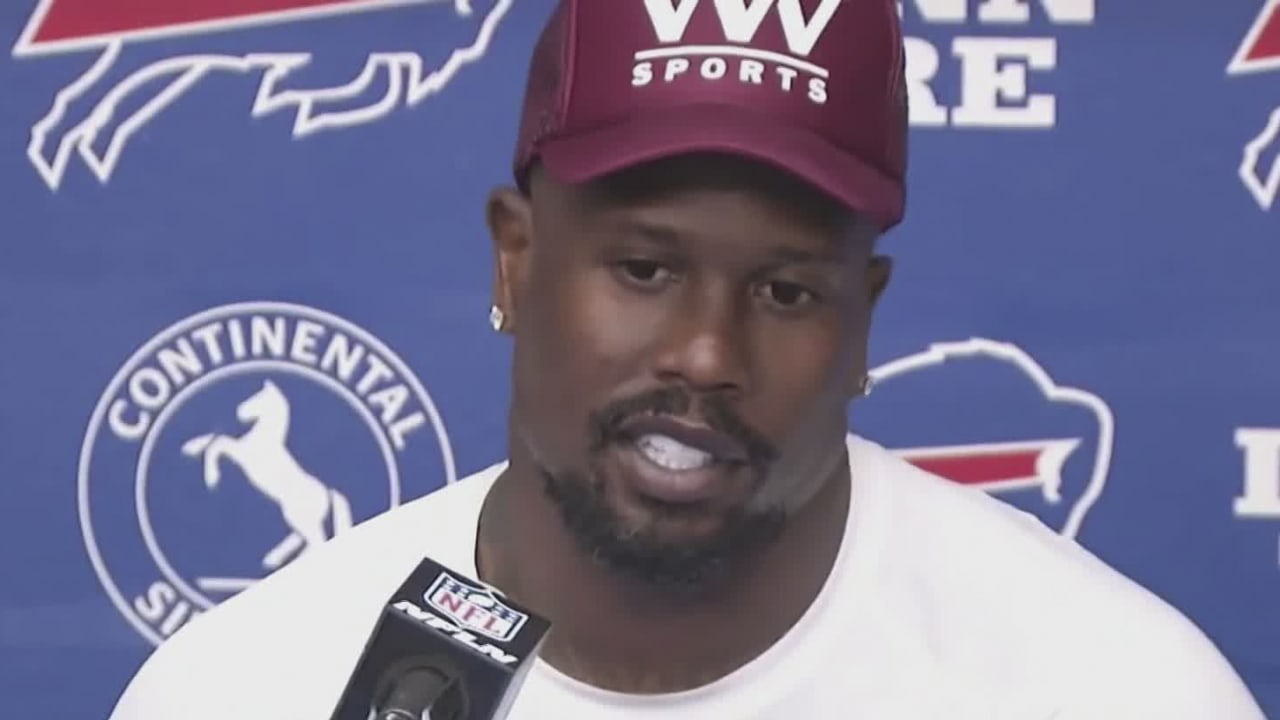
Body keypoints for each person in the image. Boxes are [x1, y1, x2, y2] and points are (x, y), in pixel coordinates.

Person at [107, 0, 1266, 718]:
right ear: (514, 262)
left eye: (783, 290)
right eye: (645, 269)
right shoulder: (249, 691)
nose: (706, 353)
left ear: (862, 321)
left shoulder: (1112, 694)